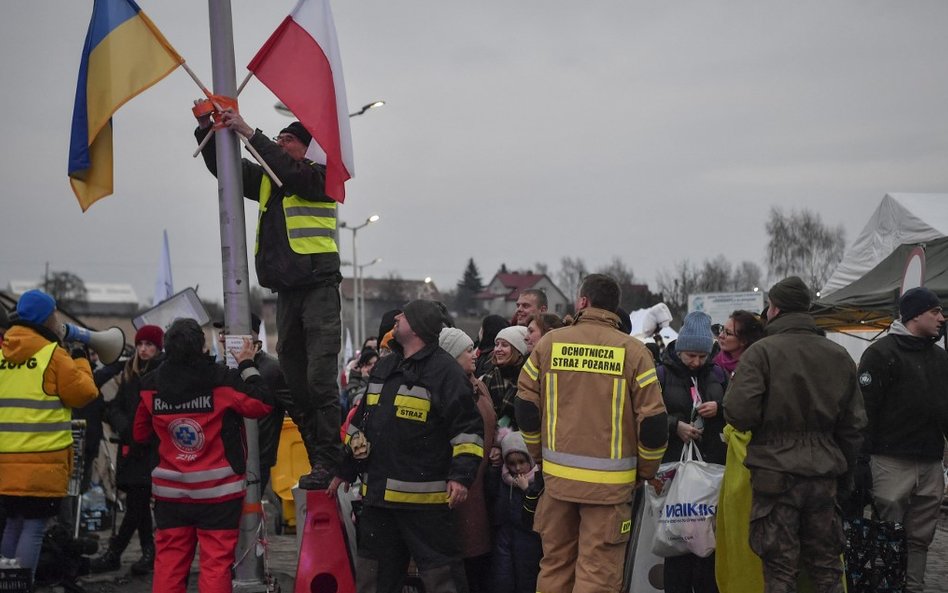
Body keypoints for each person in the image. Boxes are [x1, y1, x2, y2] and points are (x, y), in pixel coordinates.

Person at [195, 104, 341, 490]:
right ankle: (320, 462)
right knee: (296, 384)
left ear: (307, 149)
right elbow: (226, 170)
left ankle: (332, 460)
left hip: (319, 290)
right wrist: (206, 130)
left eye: (287, 139)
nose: (279, 144)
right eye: (276, 139)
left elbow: (292, 173)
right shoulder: (270, 179)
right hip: (288, 293)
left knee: (320, 381)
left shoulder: (320, 176)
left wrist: (249, 132)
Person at [515, 273, 669, 592]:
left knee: (555, 566)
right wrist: (646, 471)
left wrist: (537, 454)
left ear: (583, 302)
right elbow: (654, 424)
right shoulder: (635, 352)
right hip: (610, 490)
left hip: (557, 484)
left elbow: (525, 407)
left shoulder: (549, 344)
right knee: (598, 573)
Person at [724, 276, 866, 593]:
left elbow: (739, 412)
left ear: (774, 309)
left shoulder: (760, 353)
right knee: (827, 568)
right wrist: (844, 470)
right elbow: (854, 424)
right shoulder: (838, 354)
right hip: (824, 475)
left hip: (776, 476)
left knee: (780, 570)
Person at [332, 300, 485, 593]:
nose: (397, 317)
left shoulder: (446, 373)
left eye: (404, 314)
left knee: (443, 580)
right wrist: (345, 469)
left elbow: (468, 430)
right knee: (372, 580)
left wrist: (460, 477)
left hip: (425, 508)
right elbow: (360, 426)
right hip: (378, 503)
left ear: (416, 327)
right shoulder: (386, 366)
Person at [134, 318, 273, 593]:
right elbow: (262, 403)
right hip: (218, 495)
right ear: (201, 346)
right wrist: (246, 363)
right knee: (215, 565)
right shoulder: (221, 380)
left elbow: (139, 434)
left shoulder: (150, 385)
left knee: (170, 564)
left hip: (171, 494)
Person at [0, 290, 98, 579]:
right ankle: (23, 585)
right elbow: (84, 393)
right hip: (41, 462)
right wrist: (80, 360)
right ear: (46, 317)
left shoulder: (3, 354)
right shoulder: (52, 355)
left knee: (13, 525)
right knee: (33, 527)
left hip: (5, 462)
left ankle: (6, 583)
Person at [857, 286, 948, 593]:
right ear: (915, 315)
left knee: (922, 535)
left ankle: (914, 587)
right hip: (890, 458)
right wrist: (861, 461)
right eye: (934, 311)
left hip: (930, 459)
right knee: (888, 530)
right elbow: (865, 411)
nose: (941, 317)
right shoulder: (880, 354)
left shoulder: (940, 358)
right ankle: (888, 586)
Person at [657, 311, 727, 593]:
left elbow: (736, 411)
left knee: (708, 546)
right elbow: (644, 416)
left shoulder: (719, 374)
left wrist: (719, 410)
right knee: (678, 544)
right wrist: (675, 426)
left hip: (710, 470)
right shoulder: (660, 374)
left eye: (702, 356)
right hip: (675, 468)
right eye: (690, 356)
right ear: (679, 349)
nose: (697, 362)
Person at [90, 325, 165, 575]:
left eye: (150, 345)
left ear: (158, 347)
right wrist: (123, 426)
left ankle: (116, 552)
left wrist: (137, 431)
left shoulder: (160, 373)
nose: (144, 350)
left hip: (149, 450)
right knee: (139, 504)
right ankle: (148, 552)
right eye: (141, 344)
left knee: (137, 505)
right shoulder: (129, 373)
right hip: (130, 449)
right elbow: (116, 405)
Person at [439, 327, 496, 593]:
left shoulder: (478, 383)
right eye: (466, 350)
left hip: (482, 482)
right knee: (467, 557)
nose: (474, 354)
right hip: (463, 485)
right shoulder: (451, 389)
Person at [215, 314, 293, 493]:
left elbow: (300, 413)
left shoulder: (272, 370)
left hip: (258, 460)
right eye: (222, 334)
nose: (223, 340)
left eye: (228, 334)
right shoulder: (220, 369)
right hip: (224, 458)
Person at [486, 429, 543, 593]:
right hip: (505, 531)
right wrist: (493, 468)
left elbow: (538, 509)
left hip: (528, 536)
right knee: (502, 575)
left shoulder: (536, 481)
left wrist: (527, 490)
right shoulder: (503, 478)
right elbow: (491, 492)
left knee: (526, 575)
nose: (518, 468)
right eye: (511, 463)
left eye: (522, 462)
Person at [482, 325, 529, 429]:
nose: (498, 349)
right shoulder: (486, 378)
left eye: (504, 345)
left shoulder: (528, 381)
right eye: (496, 344)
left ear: (519, 351)